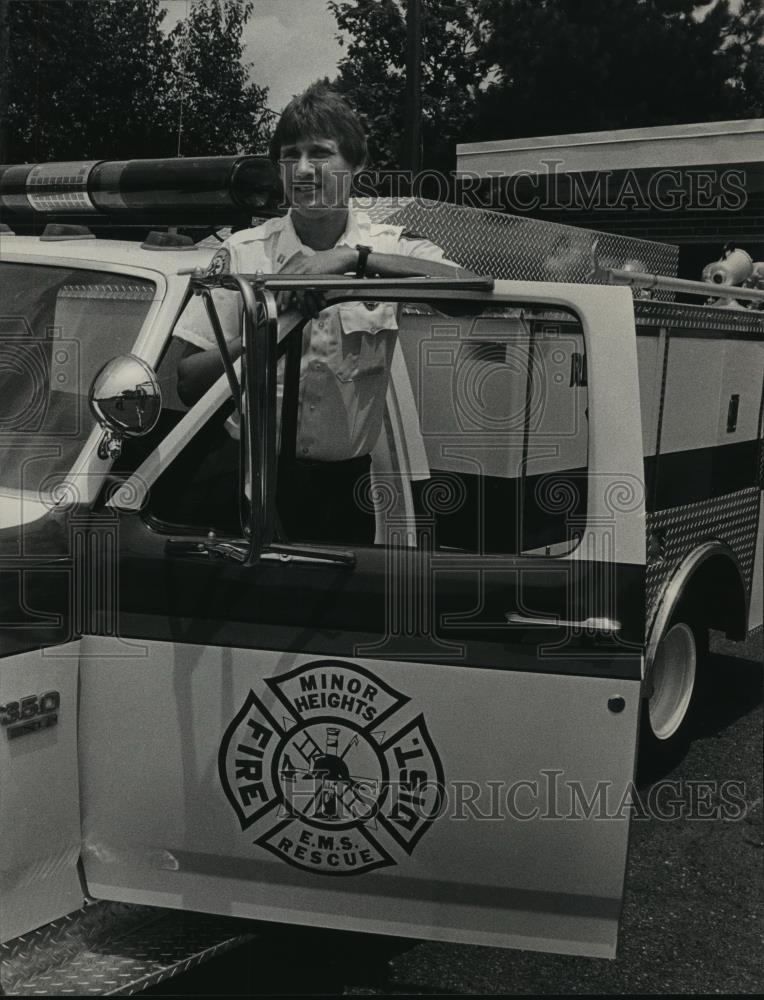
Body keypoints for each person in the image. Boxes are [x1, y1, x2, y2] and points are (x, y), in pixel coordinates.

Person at [174, 82, 472, 544]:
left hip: (339, 494)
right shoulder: (242, 253)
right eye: (290, 155)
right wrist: (268, 319)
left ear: (357, 165)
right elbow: (188, 381)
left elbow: (468, 294)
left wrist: (352, 261)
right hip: (238, 481)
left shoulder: (392, 246)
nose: (304, 169)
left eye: (322, 153)